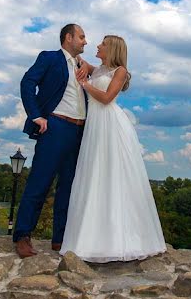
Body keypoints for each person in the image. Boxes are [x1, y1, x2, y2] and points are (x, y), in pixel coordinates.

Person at [61, 35, 166, 262]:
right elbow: (76, 59)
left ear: (112, 49)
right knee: (94, 175)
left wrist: (85, 84)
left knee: (114, 175)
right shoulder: (96, 68)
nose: (97, 46)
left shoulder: (120, 71)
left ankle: (123, 239)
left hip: (110, 124)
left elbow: (107, 98)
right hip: (95, 126)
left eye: (102, 44)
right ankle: (92, 238)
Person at [15, 23, 91, 258]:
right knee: (40, 182)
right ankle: (22, 236)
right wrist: (36, 115)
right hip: (56, 126)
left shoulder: (83, 66)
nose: (85, 41)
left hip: (79, 131)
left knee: (69, 186)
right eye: (81, 36)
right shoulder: (49, 58)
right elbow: (27, 82)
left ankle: (61, 238)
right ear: (68, 38)